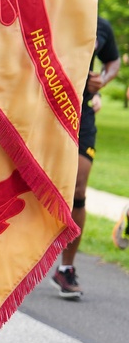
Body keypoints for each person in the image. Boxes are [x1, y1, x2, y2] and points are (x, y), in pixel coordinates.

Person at [52, 16, 121, 297]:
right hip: (45, 109)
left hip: (82, 115)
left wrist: (101, 80)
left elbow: (113, 61)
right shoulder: (52, 10)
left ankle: (66, 268)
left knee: (79, 187)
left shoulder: (100, 25)